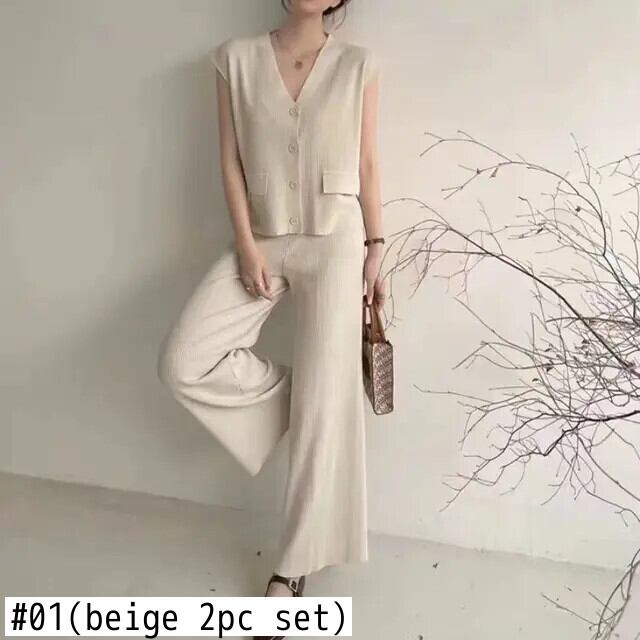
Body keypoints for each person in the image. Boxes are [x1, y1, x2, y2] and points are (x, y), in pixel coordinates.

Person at [157, 0, 384, 630]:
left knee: (325, 403)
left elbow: (367, 163)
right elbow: (229, 161)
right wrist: (247, 245)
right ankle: (314, 403)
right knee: (183, 361)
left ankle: (292, 565)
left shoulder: (359, 64)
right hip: (262, 238)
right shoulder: (234, 59)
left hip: (337, 241)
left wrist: (377, 247)